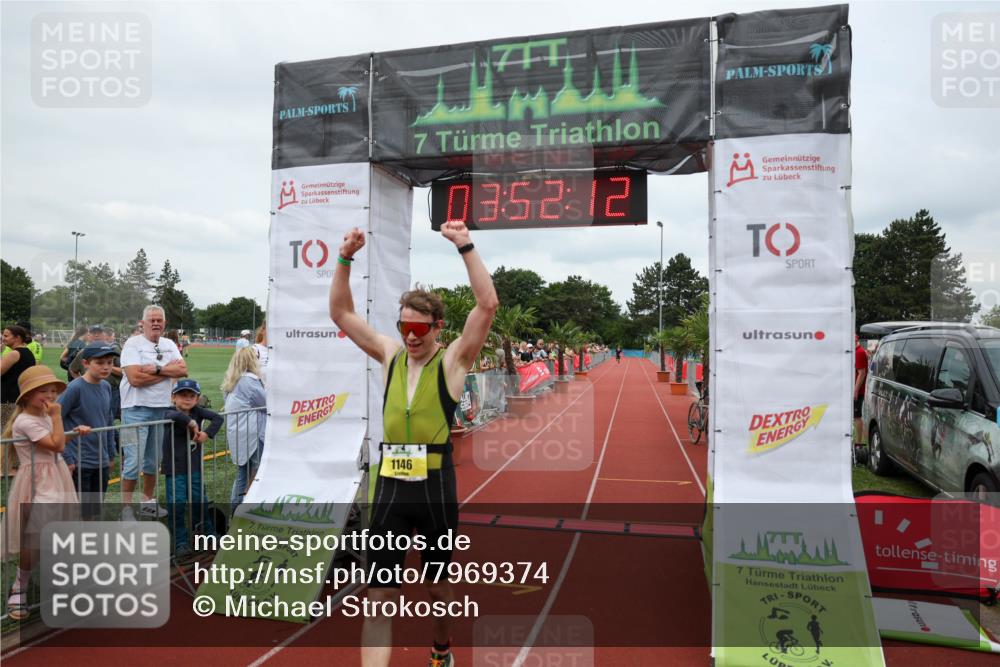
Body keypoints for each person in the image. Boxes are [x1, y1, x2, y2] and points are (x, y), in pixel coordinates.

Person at [330, 220, 498, 667]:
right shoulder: (390, 355)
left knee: (438, 589)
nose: (410, 336)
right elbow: (342, 315)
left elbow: (487, 304)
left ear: (437, 328)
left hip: (435, 490)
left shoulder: (454, 361)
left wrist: (466, 245)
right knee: (379, 594)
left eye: (420, 330)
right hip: (389, 489)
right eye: (404, 326)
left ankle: (441, 648)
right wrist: (344, 259)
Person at [2, 366, 79, 620]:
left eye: (53, 391)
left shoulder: (45, 415)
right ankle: (19, 587)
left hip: (56, 476)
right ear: (26, 395)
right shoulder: (25, 421)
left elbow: (56, 442)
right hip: (38, 482)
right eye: (42, 391)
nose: (50, 395)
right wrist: (57, 418)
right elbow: (53, 443)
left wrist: (73, 434)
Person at [119, 305, 188, 520]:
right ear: (143, 323)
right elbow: (135, 379)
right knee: (133, 462)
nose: (156, 323)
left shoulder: (168, 344)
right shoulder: (133, 344)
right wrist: (168, 372)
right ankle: (126, 509)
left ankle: (147, 502)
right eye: (152, 320)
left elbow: (183, 370)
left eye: (159, 320)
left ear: (164, 323)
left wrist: (157, 369)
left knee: (152, 461)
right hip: (135, 409)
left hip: (161, 409)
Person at [161, 379, 222, 560]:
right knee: (177, 504)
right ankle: (180, 542)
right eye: (182, 395)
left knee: (199, 500)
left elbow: (218, 418)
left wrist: (206, 433)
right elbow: (172, 416)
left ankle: (207, 534)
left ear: (197, 399)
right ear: (173, 398)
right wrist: (192, 423)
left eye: (191, 396)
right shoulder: (170, 411)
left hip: (194, 467)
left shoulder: (198, 411)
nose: (187, 399)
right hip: (174, 468)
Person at [59, 342, 118, 520]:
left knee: (95, 510)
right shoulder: (74, 388)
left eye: (109, 362)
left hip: (100, 461)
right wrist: (68, 458)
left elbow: (107, 422)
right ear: (85, 363)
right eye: (99, 363)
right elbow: (55, 420)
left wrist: (110, 454)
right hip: (79, 462)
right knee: (79, 512)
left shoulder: (106, 387)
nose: (106, 367)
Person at [221, 347, 267, 513]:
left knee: (242, 473)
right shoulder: (249, 381)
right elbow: (266, 403)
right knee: (256, 472)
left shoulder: (232, 380)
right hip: (252, 433)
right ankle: (244, 509)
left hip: (238, 432)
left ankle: (236, 510)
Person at [1, 325, 38, 430]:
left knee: (7, 431)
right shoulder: (28, 353)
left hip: (9, 400)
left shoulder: (14, 354)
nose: (3, 338)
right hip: (22, 397)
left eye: (6, 336)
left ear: (17, 338)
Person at [854, 334, 869, 463]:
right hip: (856, 390)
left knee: (857, 416)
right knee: (856, 416)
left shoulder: (859, 353)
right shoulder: (857, 352)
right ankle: (860, 442)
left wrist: (855, 390)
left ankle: (859, 443)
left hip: (857, 392)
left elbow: (862, 372)